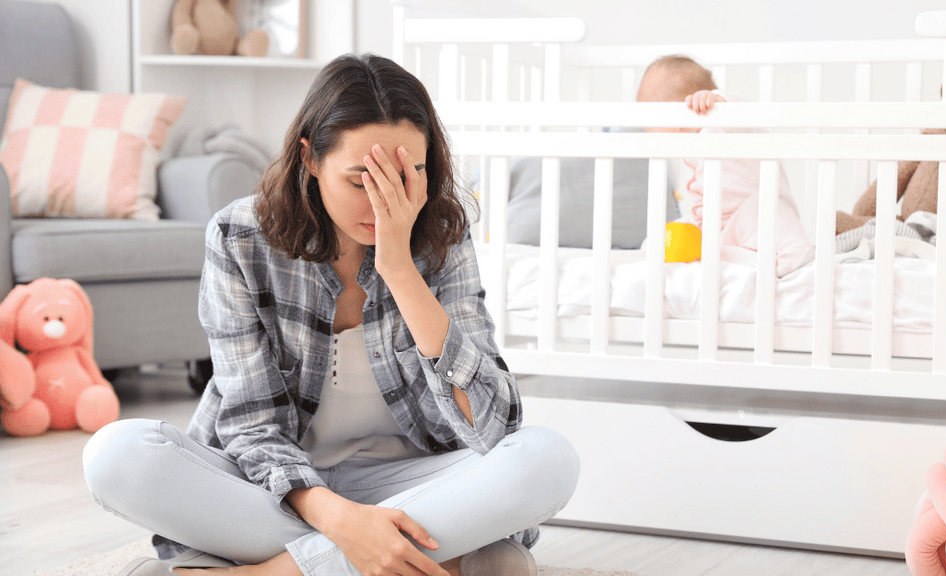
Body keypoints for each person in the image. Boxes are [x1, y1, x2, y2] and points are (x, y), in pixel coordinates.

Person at [82, 53, 580, 576]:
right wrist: (345, 525)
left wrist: (401, 271)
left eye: (407, 175)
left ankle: (266, 572)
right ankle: (430, 561)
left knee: (548, 458)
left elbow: (496, 426)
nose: (384, 202)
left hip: (411, 482)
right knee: (116, 454)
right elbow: (252, 426)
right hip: (275, 490)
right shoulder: (240, 237)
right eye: (362, 179)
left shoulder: (442, 239)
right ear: (310, 160)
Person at [638, 55, 814, 277]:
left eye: (653, 132)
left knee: (760, 207)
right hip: (719, 229)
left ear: (678, 115)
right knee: (663, 235)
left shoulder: (723, 120)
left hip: (756, 223)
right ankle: (717, 258)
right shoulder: (689, 152)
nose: (653, 140)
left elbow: (739, 107)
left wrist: (717, 101)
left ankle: (795, 252)